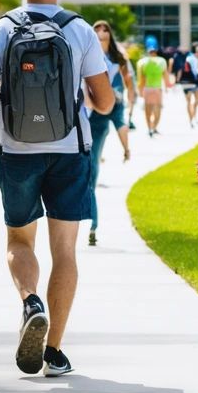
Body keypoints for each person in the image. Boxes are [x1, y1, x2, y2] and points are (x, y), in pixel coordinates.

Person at [0, 0, 115, 379]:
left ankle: (30, 301)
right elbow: (106, 103)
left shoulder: (2, 30)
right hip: (70, 151)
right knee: (65, 250)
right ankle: (53, 350)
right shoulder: (80, 30)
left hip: (17, 151)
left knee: (20, 241)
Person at [83, 20, 132, 248]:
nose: (101, 33)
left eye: (105, 30)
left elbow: (120, 119)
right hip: (81, 115)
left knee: (91, 175)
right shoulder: (85, 52)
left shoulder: (117, 58)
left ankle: (92, 225)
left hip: (101, 114)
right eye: (97, 29)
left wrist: (126, 147)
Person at [136, 38, 171, 137]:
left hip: (147, 89)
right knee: (157, 109)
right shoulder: (162, 61)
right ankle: (154, 127)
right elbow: (166, 77)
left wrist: (140, 90)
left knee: (148, 109)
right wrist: (169, 86)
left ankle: (149, 128)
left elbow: (141, 79)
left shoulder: (142, 62)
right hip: (157, 89)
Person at [179, 44, 198, 127]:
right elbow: (197, 71)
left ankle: (191, 119)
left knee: (189, 102)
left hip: (186, 82)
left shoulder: (187, 58)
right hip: (195, 81)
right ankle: (193, 117)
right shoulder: (195, 59)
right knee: (196, 100)